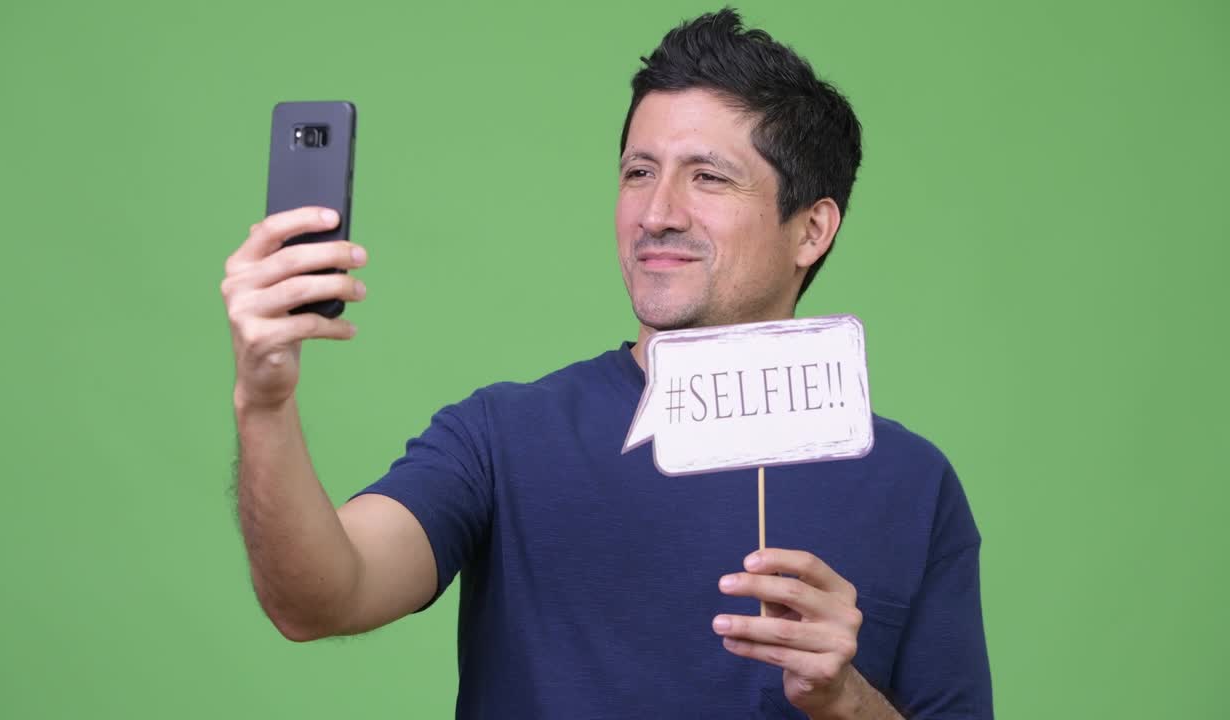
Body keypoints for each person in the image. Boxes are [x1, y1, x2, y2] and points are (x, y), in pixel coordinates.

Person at [221, 8, 992, 719]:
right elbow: (319, 596)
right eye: (638, 171)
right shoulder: (502, 436)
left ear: (812, 228)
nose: (658, 213)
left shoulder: (914, 485)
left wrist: (846, 700)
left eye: (708, 176)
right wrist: (263, 404)